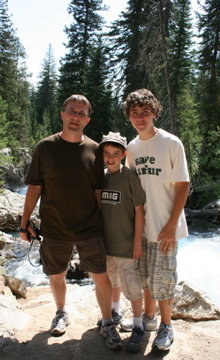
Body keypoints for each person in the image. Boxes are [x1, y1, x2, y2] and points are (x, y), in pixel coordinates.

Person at [19, 94, 122, 351]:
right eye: (72, 111)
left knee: (101, 276)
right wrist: (24, 222)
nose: (76, 117)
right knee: (56, 275)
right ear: (62, 114)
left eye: (81, 113)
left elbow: (99, 190)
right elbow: (35, 187)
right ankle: (61, 311)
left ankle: (108, 322)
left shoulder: (96, 150)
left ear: (87, 120)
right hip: (54, 227)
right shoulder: (45, 147)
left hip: (90, 227)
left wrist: (107, 223)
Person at [121, 88, 190, 352]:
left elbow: (182, 185)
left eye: (145, 113)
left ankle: (167, 325)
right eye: (135, 113)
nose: (140, 118)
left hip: (165, 228)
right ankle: (147, 321)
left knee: (164, 280)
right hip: (142, 228)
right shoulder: (132, 147)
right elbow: (130, 187)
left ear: (154, 113)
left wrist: (172, 225)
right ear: (129, 117)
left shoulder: (172, 143)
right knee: (145, 279)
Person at [99, 131, 146, 352]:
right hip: (107, 245)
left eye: (115, 153)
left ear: (123, 154)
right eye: (107, 153)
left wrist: (137, 242)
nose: (110, 157)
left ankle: (138, 326)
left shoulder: (129, 176)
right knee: (112, 281)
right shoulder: (102, 177)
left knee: (133, 287)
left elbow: (139, 209)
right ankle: (115, 312)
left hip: (127, 245)